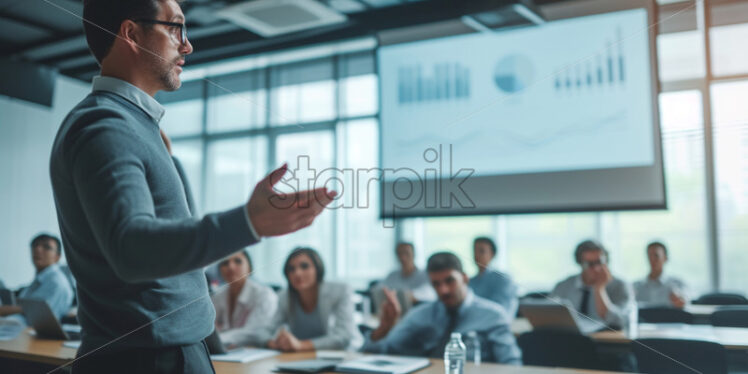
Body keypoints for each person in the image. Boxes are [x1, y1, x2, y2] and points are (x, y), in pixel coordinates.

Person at [50, 0, 334, 372]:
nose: (187, 45)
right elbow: (131, 248)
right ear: (131, 34)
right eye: (175, 28)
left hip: (162, 353)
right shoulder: (108, 126)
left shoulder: (131, 125)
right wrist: (249, 223)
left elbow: (168, 242)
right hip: (151, 361)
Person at [362, 252, 522, 364]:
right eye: (436, 284)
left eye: (450, 281)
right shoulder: (421, 314)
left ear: (465, 279)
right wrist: (383, 329)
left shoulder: (493, 315)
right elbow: (380, 353)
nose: (443, 290)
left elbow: (511, 364)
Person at [258, 247, 362, 351]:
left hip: (344, 354)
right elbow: (264, 331)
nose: (297, 273)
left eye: (304, 266)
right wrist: (272, 343)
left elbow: (343, 337)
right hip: (302, 357)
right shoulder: (284, 296)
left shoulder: (340, 291)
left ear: (317, 268)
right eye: (291, 269)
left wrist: (301, 345)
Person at [550, 240, 635, 329]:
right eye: (589, 264)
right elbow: (548, 314)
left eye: (600, 262)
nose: (596, 268)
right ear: (580, 263)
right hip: (570, 337)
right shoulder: (564, 285)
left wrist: (599, 289)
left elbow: (618, 322)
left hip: (606, 340)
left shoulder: (620, 286)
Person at [211, 250, 277, 348]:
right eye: (225, 263)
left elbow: (253, 332)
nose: (230, 267)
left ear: (249, 267)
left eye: (238, 261)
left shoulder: (264, 294)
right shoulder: (218, 296)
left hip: (258, 351)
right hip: (229, 353)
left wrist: (218, 339)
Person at [0, 234, 74, 321]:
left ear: (57, 257)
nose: (38, 249)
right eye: (35, 245)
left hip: (28, 331)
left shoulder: (56, 283)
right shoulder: (42, 279)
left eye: (47, 247)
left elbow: (36, 316)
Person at [468, 237, 519, 317]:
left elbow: (500, 310)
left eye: (482, 251)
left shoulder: (503, 279)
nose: (476, 255)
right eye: (474, 251)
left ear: (492, 254)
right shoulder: (469, 282)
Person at [633, 241, 688, 308]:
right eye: (649, 255)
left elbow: (684, 301)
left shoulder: (678, 284)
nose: (652, 259)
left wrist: (680, 300)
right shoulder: (636, 287)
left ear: (665, 258)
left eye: (656, 256)